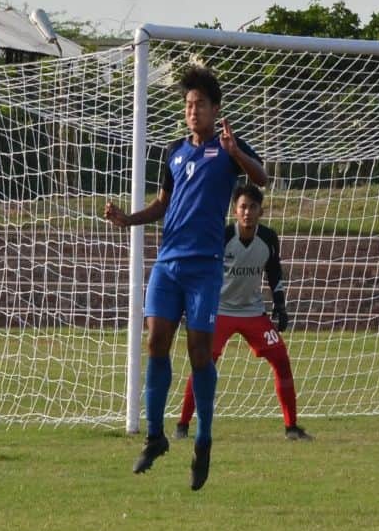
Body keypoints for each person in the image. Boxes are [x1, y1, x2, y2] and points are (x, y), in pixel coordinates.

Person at [104, 65, 267, 491]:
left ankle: (205, 438)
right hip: (168, 263)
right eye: (188, 105)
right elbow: (162, 205)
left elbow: (263, 177)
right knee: (156, 340)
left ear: (216, 109)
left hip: (205, 266)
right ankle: (156, 436)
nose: (192, 111)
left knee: (199, 352)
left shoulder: (228, 147)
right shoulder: (174, 151)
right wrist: (128, 219)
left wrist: (236, 153)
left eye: (200, 105)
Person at [173, 185, 311, 441]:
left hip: (253, 313)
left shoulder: (268, 238)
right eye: (243, 207)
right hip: (219, 312)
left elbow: (274, 272)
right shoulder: (223, 236)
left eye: (253, 207)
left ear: (261, 211)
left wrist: (280, 305)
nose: (247, 212)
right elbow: (202, 272)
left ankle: (291, 428)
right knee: (203, 364)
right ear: (235, 211)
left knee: (281, 359)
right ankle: (182, 425)